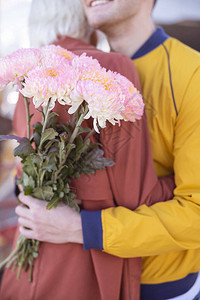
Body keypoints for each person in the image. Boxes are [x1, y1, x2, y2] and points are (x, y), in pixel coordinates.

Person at [0, 0, 175, 299]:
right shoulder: (111, 67)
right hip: (83, 271)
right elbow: (138, 196)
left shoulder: (27, 79)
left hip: (25, 268)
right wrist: (178, 177)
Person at [77, 0, 200, 299]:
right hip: (93, 280)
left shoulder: (191, 74)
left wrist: (81, 228)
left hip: (163, 287)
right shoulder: (80, 73)